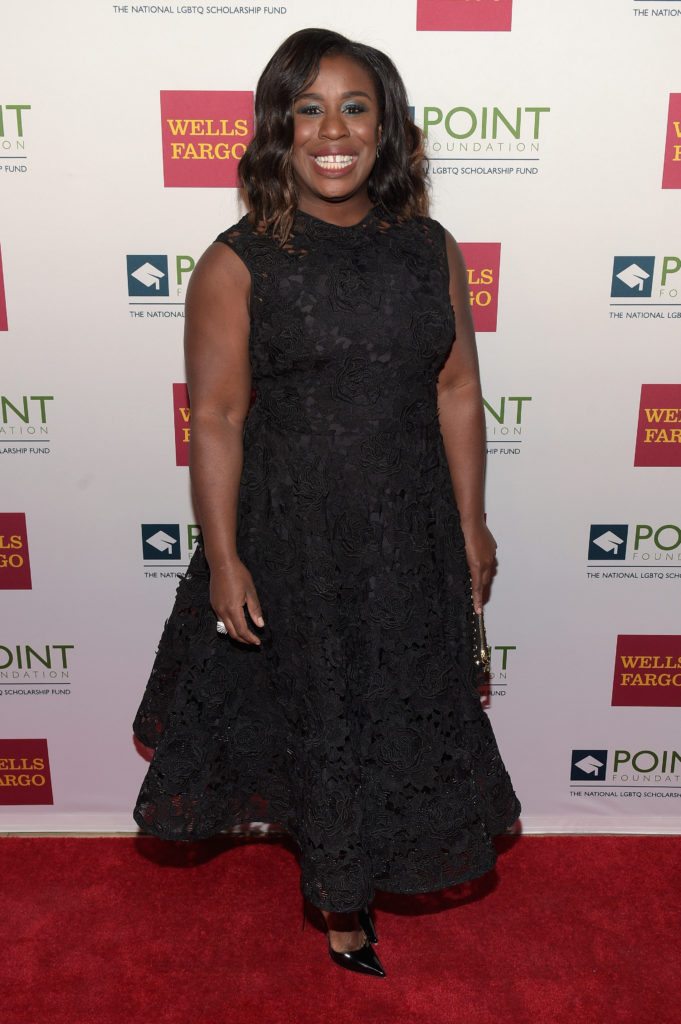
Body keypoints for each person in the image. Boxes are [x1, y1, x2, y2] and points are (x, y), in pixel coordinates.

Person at [132, 26, 521, 978]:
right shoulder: (237, 261)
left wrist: (470, 520)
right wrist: (225, 558)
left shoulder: (429, 249)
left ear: (386, 129)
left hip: (408, 530)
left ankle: (370, 866)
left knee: (393, 707)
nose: (332, 130)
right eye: (308, 109)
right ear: (278, 129)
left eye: (355, 107)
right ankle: (342, 908)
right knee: (320, 714)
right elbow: (217, 417)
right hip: (293, 537)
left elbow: (456, 390)